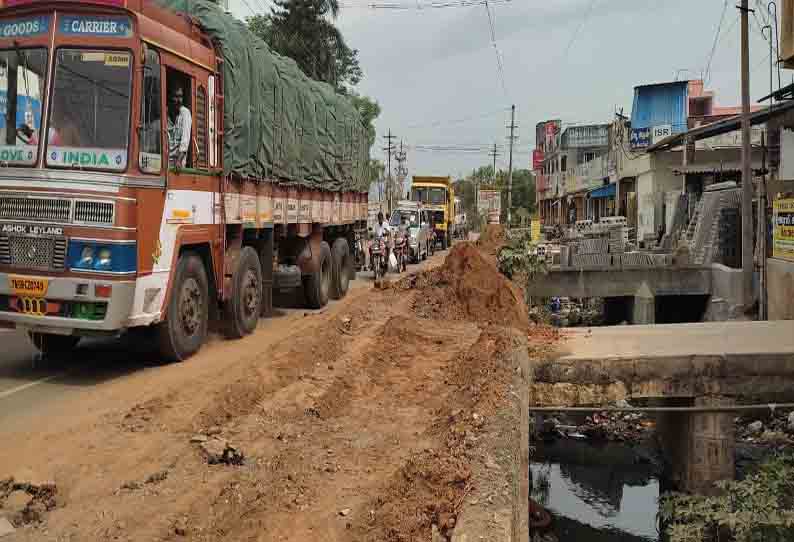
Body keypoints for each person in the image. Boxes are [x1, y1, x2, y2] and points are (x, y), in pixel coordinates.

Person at [167, 84, 192, 169]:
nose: (179, 100)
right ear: (170, 97)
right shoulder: (165, 114)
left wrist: (179, 161)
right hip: (164, 163)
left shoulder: (185, 113)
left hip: (178, 164)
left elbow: (185, 140)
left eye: (181, 96)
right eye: (176, 96)